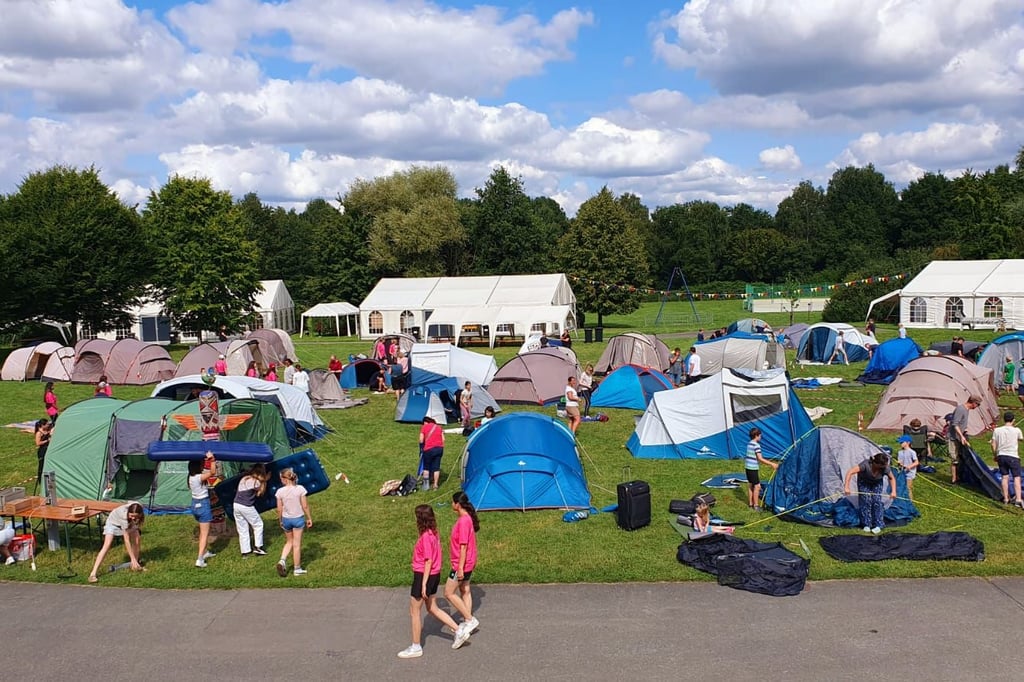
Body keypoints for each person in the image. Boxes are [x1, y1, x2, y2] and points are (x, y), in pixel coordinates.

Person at [397, 505, 464, 659]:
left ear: (420, 519)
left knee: (414, 611)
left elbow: (428, 560)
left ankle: (416, 646)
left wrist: (423, 584)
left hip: (424, 575)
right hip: (435, 574)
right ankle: (459, 630)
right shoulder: (434, 533)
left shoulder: (426, 537)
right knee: (432, 608)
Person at [444, 491, 480, 650]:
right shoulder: (467, 519)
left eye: (452, 502)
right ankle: (467, 622)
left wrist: (459, 567)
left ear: (457, 504)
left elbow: (463, 546)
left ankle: (469, 619)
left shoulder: (464, 521)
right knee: (465, 590)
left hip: (462, 563)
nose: (451, 505)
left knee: (448, 592)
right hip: (469, 562)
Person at [87, 502, 145, 582]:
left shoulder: (139, 506)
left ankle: (135, 565)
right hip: (113, 523)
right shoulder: (124, 516)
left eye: (135, 516)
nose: (133, 518)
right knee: (107, 545)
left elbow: (129, 504)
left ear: (140, 513)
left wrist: (134, 559)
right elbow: (126, 540)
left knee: (137, 539)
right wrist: (132, 558)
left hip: (127, 522)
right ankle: (93, 574)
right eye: (131, 515)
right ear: (128, 512)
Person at [844, 452, 897, 534]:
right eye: (882, 465)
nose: (885, 467)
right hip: (864, 482)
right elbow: (850, 472)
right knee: (866, 501)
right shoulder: (865, 465)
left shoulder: (885, 468)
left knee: (877, 501)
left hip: (877, 483)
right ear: (876, 463)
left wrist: (893, 491)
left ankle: (878, 524)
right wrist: (846, 486)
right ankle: (866, 524)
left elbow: (891, 478)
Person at [188, 453, 218, 568]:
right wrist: (212, 460)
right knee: (205, 534)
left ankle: (204, 552)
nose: (203, 466)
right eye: (201, 464)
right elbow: (213, 472)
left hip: (195, 505)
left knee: (202, 531)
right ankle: (200, 559)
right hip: (203, 505)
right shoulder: (198, 477)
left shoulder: (191, 477)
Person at [234, 463, 270, 556]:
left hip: (236, 505)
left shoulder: (244, 478)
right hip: (246, 506)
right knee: (258, 524)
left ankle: (245, 551)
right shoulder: (256, 482)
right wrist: (265, 481)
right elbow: (259, 493)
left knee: (242, 528)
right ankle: (258, 547)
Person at [990, 411, 1023, 507]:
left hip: (1001, 456)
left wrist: (995, 455)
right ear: (1013, 420)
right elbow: (1021, 439)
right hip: (1013, 456)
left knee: (1005, 477)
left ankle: (1006, 498)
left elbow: (993, 444)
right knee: (1017, 477)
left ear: (1004, 419)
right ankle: (1018, 499)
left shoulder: (997, 430)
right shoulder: (1017, 430)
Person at [948, 395, 980, 484]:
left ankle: (959, 476)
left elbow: (962, 423)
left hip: (961, 436)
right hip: (954, 437)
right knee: (954, 458)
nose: (977, 407)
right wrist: (961, 436)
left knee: (961, 457)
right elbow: (955, 424)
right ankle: (954, 479)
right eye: (978, 405)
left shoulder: (966, 410)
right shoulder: (960, 409)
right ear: (973, 403)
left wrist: (964, 433)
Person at [744, 427, 777, 510]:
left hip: (747, 468)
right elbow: (760, 458)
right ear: (756, 435)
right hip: (753, 469)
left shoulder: (749, 443)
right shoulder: (756, 445)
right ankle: (756, 506)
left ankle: (750, 504)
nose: (760, 437)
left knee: (750, 485)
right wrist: (772, 464)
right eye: (760, 436)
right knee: (757, 486)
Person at [418, 417, 444, 490]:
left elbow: (421, 440)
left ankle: (426, 486)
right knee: (436, 468)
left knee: (426, 467)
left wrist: (422, 447)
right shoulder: (439, 427)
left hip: (428, 449)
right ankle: (435, 485)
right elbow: (443, 439)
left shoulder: (424, 427)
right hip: (439, 448)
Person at [896, 435, 919, 501]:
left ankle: (910, 501)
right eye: (900, 442)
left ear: (908, 443)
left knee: (908, 488)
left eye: (902, 442)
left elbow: (916, 462)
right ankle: (902, 500)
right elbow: (900, 462)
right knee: (901, 487)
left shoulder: (912, 452)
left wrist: (910, 466)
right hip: (902, 472)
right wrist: (899, 464)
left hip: (910, 473)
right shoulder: (900, 452)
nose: (900, 444)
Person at [33, 419, 52, 495]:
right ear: (42, 425)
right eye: (47, 424)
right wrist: (47, 441)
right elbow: (38, 443)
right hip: (42, 451)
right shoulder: (39, 433)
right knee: (41, 465)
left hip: (48, 449)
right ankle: (40, 481)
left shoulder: (47, 431)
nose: (48, 425)